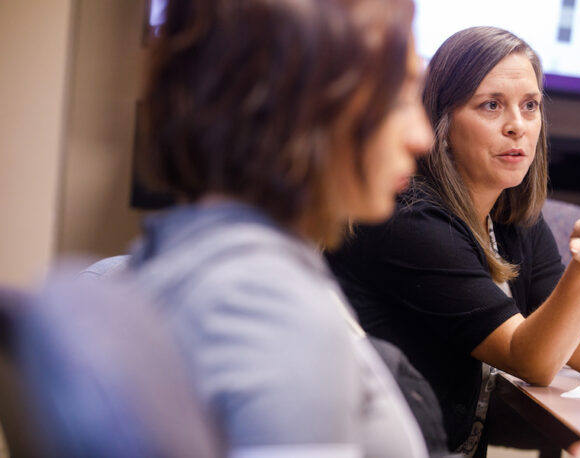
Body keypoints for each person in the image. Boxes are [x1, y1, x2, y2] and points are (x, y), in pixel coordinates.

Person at [327, 26, 580, 455]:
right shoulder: (407, 218)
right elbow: (531, 359)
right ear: (439, 123)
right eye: (491, 105)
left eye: (530, 106)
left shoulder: (514, 218)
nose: (517, 126)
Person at [127, 0, 434, 456]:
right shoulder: (266, 306)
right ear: (303, 104)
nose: (422, 136)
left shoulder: (181, 256)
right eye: (399, 97)